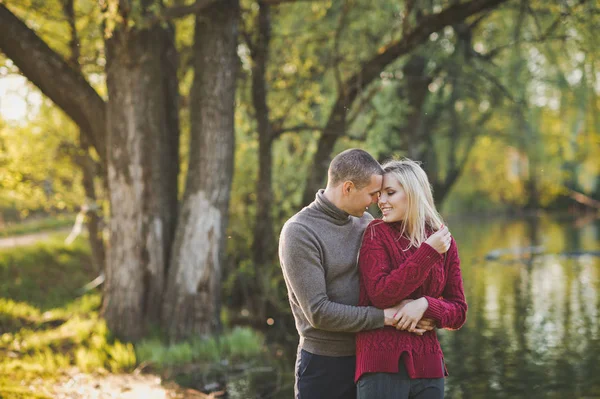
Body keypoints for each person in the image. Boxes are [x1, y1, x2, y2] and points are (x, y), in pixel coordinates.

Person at [279, 149, 434, 399]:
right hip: (324, 365)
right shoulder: (300, 232)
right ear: (348, 188)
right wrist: (389, 317)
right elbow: (319, 312)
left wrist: (421, 307)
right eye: (373, 194)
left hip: (371, 359)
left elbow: (388, 282)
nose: (377, 201)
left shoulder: (365, 223)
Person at [355, 159, 468, 399]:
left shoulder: (443, 240)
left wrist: (426, 305)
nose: (381, 201)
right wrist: (427, 253)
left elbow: (458, 312)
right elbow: (381, 294)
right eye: (379, 194)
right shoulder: (376, 234)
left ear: (414, 194)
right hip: (380, 365)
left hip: (429, 366)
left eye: (390, 193)